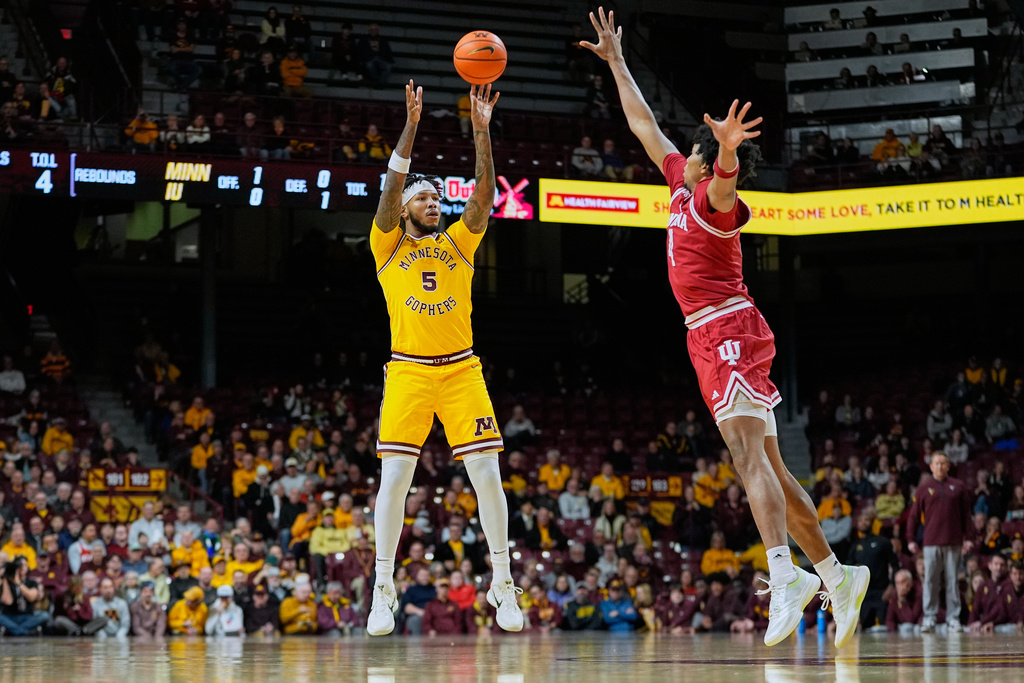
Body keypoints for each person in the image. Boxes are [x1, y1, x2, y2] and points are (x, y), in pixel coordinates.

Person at [581, 7, 868, 648]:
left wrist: (730, 150)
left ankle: (782, 574)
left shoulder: (714, 201)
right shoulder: (680, 188)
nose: (681, 155)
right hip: (712, 333)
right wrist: (618, 63)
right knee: (768, 463)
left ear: (706, 167)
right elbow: (643, 125)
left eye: (696, 155)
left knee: (746, 459)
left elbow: (726, 182)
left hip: (725, 328)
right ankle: (835, 574)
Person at [366, 80, 522, 637]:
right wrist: (410, 126)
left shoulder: (459, 241)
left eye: (437, 199)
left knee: (488, 475)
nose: (434, 204)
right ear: (407, 207)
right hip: (407, 370)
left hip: (461, 370)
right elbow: (390, 188)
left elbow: (483, 195)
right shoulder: (386, 245)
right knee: (394, 482)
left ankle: (502, 581)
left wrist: (480, 131)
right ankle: (383, 587)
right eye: (425, 198)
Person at [906, 451, 971, 633]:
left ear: (948, 466)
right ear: (931, 466)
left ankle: (953, 618)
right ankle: (929, 618)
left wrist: (969, 538)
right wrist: (910, 539)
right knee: (930, 581)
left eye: (943, 463)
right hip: (931, 542)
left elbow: (967, 515)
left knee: (952, 580)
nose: (940, 466)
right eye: (937, 463)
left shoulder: (959, 486)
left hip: (954, 541)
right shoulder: (923, 488)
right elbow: (913, 517)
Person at [0, 556, 48, 635]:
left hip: (27, 616)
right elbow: (8, 601)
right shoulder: (6, 583)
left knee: (44, 615)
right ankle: (24, 631)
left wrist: (18, 582)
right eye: (20, 565)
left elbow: (32, 598)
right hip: (10, 616)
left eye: (24, 565)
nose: (22, 568)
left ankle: (16, 630)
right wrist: (5, 578)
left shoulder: (32, 582)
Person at [358, 23, 394, 88]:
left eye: (375, 29)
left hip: (381, 59)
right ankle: (378, 82)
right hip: (369, 59)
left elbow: (387, 52)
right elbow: (359, 51)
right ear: (369, 31)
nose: (373, 31)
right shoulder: (364, 40)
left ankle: (380, 83)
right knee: (369, 65)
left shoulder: (383, 40)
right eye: (372, 29)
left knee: (389, 66)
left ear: (377, 31)